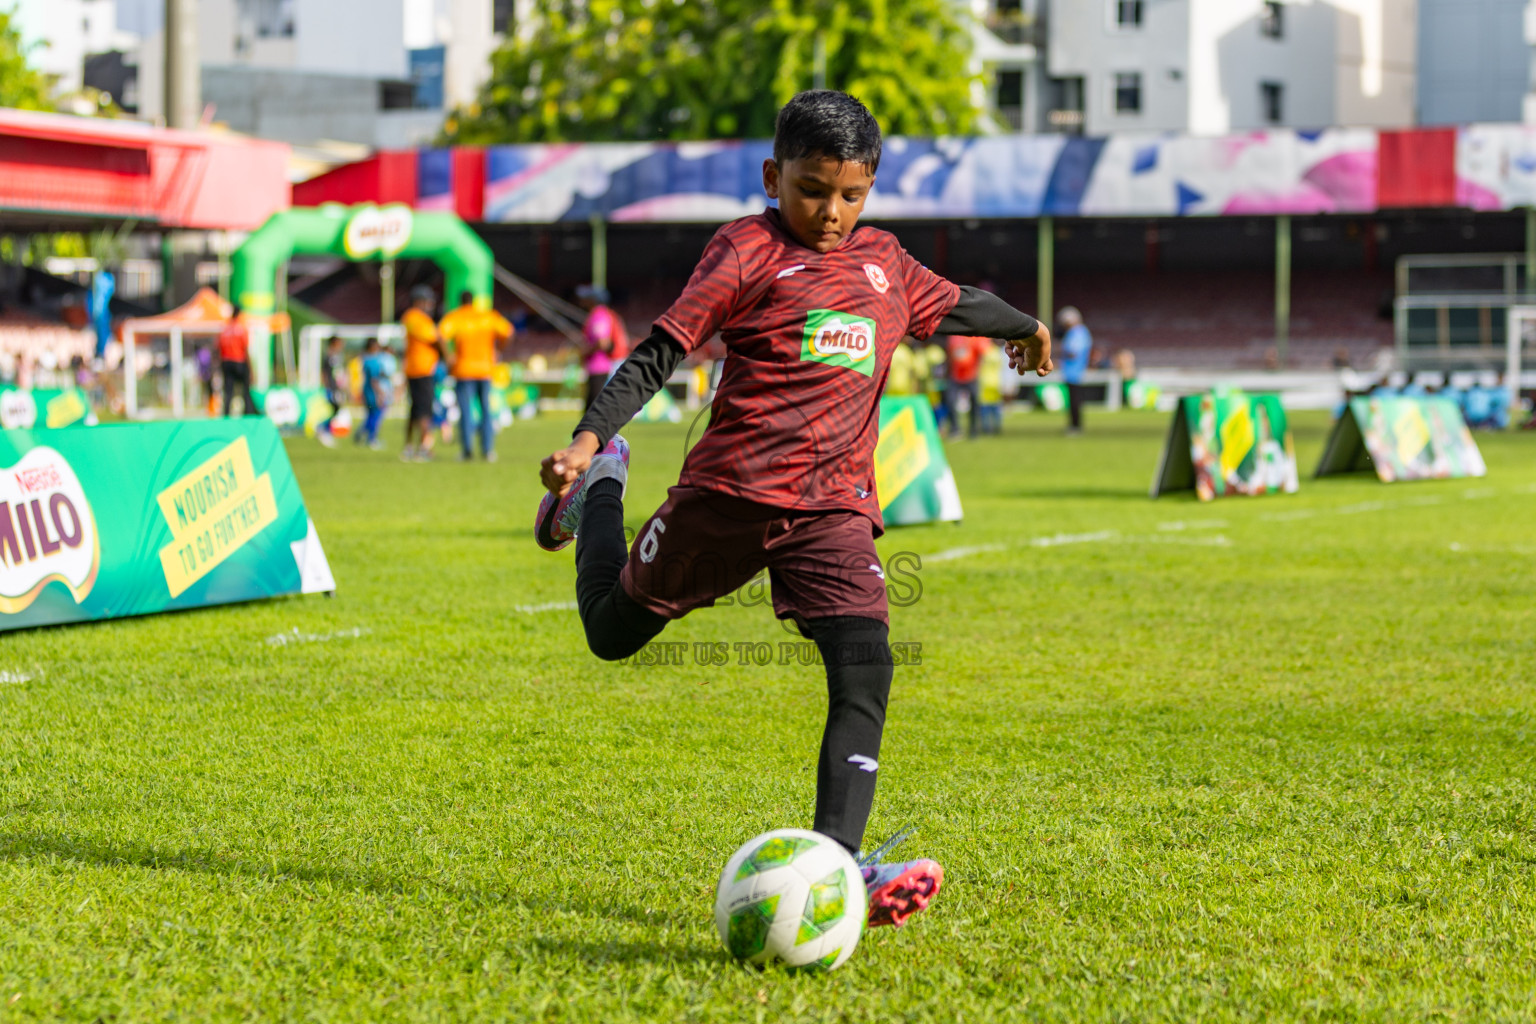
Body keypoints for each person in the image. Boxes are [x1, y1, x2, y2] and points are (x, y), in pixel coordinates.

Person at [534, 90, 1053, 930]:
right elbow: (664, 347)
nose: (833, 212)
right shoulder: (746, 249)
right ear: (775, 177)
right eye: (813, 189)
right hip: (728, 496)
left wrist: (1024, 326)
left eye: (852, 193)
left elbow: (957, 300)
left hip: (832, 510)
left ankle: (840, 866)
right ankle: (603, 495)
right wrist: (592, 442)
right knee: (610, 632)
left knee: (867, 662)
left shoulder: (886, 263)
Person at [440, 290, 512, 462]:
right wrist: (499, 351)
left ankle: (467, 451)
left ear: (460, 301)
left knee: (465, 411)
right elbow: (509, 332)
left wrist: (448, 356)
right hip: (485, 369)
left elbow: (440, 335)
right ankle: (488, 451)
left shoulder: (455, 317)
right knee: (486, 410)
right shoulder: (488, 316)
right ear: (473, 301)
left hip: (464, 370)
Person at [400, 285, 444, 462]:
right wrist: (447, 355)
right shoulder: (415, 317)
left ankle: (409, 446)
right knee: (424, 410)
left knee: (416, 410)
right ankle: (423, 448)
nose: (430, 305)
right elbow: (435, 338)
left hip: (415, 369)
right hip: (421, 370)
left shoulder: (414, 318)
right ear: (418, 301)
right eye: (427, 301)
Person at [577, 284, 629, 412]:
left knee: (592, 414)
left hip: (600, 368)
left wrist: (586, 351)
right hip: (605, 367)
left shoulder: (599, 315)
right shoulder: (607, 314)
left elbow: (603, 342)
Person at [945, 334, 987, 440]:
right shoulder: (953, 337)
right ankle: (955, 429)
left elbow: (981, 355)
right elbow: (949, 355)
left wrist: (978, 372)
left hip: (971, 376)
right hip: (955, 376)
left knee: (975, 402)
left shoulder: (975, 338)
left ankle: (973, 430)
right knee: (950, 401)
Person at [218, 303, 257, 417]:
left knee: (228, 391)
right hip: (239, 361)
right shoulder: (241, 327)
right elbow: (245, 349)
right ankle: (248, 414)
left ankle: (226, 415)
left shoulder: (225, 329)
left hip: (226, 362)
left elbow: (219, 348)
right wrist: (251, 369)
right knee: (246, 390)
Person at [1057, 306, 1091, 434]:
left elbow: (1073, 353)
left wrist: (1061, 352)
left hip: (1075, 372)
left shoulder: (1078, 332)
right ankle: (1073, 425)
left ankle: (1076, 426)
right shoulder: (1075, 332)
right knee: (1072, 401)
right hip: (1070, 372)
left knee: (1075, 400)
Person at [355, 337, 391, 450]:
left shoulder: (364, 360)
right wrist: (381, 393)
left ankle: (361, 432)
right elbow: (374, 380)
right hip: (373, 392)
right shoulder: (373, 362)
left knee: (371, 414)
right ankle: (371, 439)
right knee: (376, 415)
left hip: (366, 391)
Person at [317, 335, 348, 446]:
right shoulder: (329, 356)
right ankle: (323, 428)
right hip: (331, 388)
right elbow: (325, 373)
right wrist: (327, 386)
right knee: (334, 408)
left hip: (337, 387)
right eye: (339, 343)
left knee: (336, 409)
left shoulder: (338, 356)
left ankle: (324, 429)